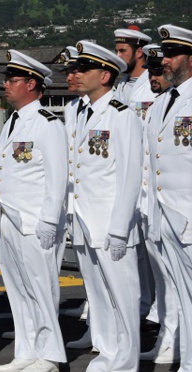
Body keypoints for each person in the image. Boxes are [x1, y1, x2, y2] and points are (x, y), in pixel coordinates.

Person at [0, 50, 67, 372]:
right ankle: (26, 351)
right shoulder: (12, 122)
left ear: (32, 83)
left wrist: (50, 219)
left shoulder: (47, 124)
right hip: (9, 218)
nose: (6, 85)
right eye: (7, 79)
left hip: (34, 220)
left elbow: (57, 176)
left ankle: (49, 355)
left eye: (13, 80)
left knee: (41, 288)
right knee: (18, 290)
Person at [72, 40, 143, 371]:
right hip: (86, 219)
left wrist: (119, 228)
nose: (79, 73)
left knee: (123, 296)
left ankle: (125, 361)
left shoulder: (120, 115)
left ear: (104, 75)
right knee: (99, 294)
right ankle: (107, 351)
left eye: (85, 69)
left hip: (111, 222)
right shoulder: (84, 112)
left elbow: (130, 174)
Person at [145, 24, 192, 370]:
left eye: (173, 54)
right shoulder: (159, 106)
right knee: (185, 300)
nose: (165, 61)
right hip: (168, 218)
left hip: (190, 215)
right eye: (165, 54)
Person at [138, 43, 180, 365]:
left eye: (162, 65)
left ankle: (177, 344)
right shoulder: (158, 106)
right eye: (153, 68)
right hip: (156, 211)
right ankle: (169, 339)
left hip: (182, 212)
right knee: (165, 283)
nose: (158, 71)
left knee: (181, 287)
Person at [114, 26, 156, 322]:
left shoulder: (152, 86)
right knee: (137, 250)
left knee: (154, 249)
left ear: (139, 52)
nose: (117, 56)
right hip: (125, 176)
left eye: (122, 51)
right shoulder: (121, 86)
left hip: (149, 177)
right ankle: (143, 302)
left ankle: (156, 306)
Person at [59, 46, 96, 351]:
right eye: (68, 72)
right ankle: (94, 330)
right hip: (74, 200)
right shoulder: (72, 109)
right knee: (89, 275)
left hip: (97, 202)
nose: (70, 77)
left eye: (75, 71)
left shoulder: (110, 108)